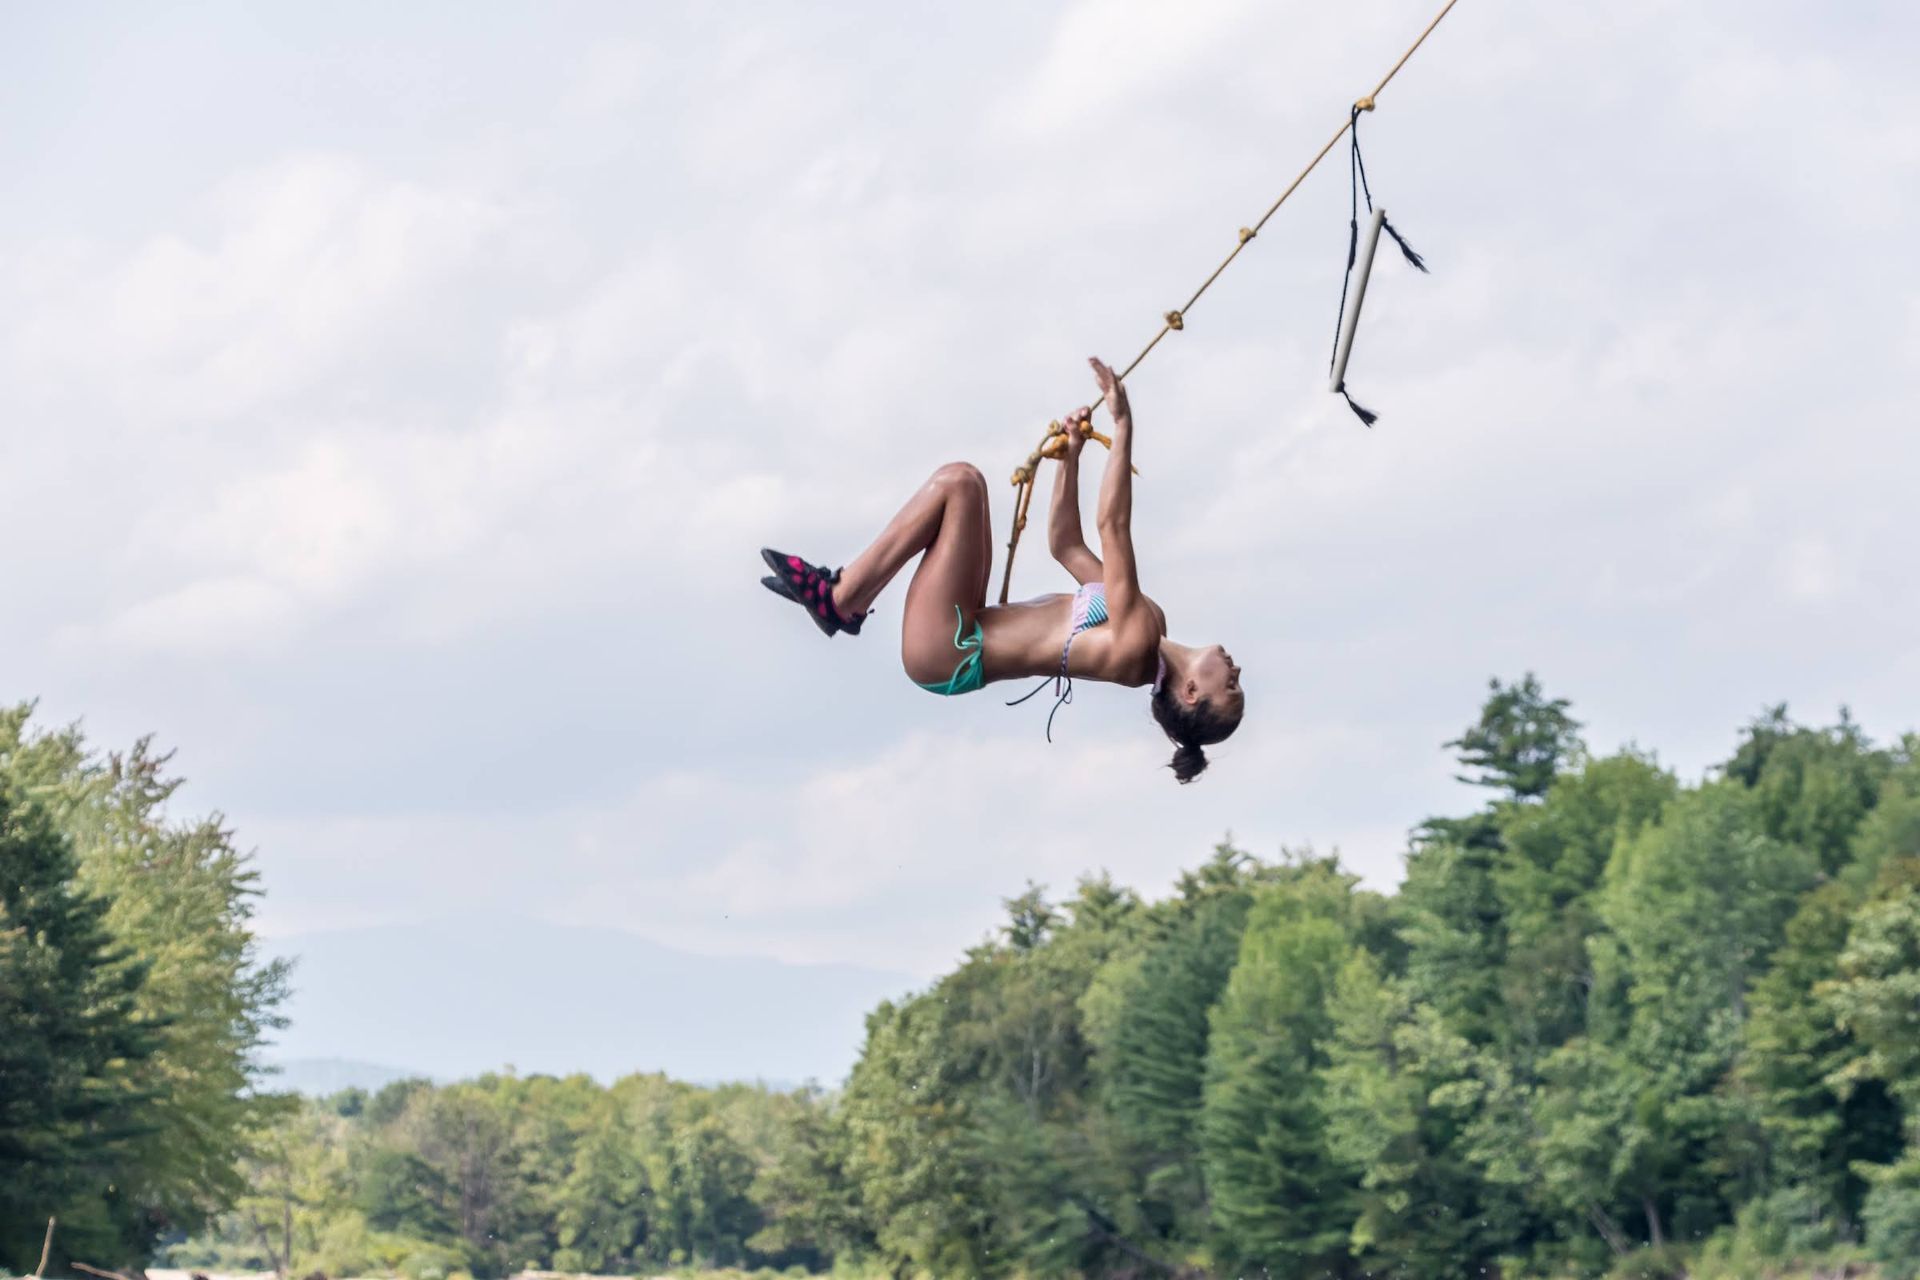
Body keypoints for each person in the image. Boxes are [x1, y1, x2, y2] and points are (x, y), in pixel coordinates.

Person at [761, 357, 1243, 782]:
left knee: (958, 482)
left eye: (1232, 684)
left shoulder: (1136, 645)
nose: (1236, 670)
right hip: (967, 622)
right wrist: (1071, 456)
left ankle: (843, 600)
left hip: (951, 651)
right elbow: (1066, 545)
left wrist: (1123, 427)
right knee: (966, 485)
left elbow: (1112, 526)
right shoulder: (1151, 623)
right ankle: (844, 599)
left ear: (1192, 691)